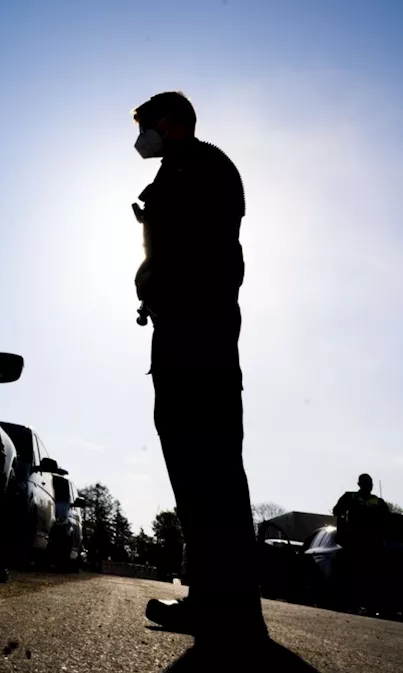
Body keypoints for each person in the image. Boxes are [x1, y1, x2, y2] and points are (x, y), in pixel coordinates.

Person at [131, 91, 262, 638]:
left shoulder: (201, 166)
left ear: (168, 122)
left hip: (197, 330)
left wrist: (164, 282)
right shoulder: (182, 169)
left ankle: (223, 599)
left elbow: (205, 250)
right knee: (193, 454)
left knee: (205, 454)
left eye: (144, 126)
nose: (140, 139)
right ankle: (216, 594)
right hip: (183, 326)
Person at [331, 473, 388, 609]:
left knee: (369, 575)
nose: (368, 486)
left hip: (371, 545)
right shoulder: (351, 497)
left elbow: (387, 518)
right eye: (367, 483)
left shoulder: (377, 501)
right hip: (354, 542)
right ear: (360, 484)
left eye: (369, 483)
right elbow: (336, 511)